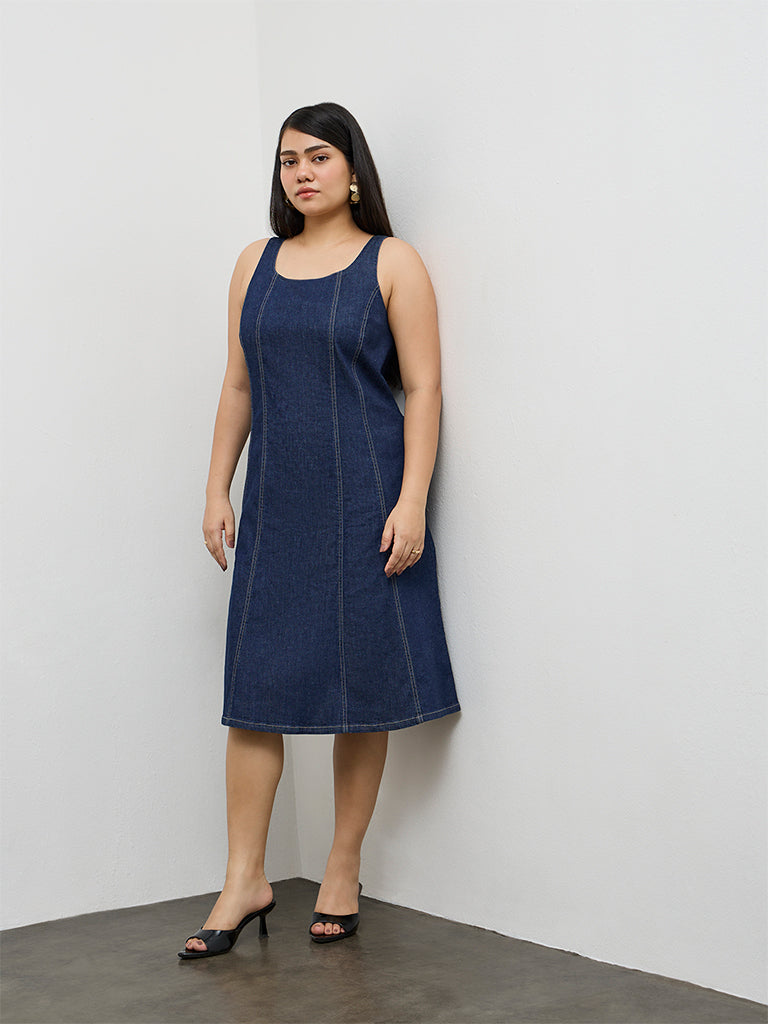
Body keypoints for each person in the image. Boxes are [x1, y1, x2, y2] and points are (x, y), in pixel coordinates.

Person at [179, 102, 460, 959]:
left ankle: (342, 869)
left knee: (357, 686)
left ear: (354, 171)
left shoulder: (393, 262)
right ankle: (245, 880)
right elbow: (238, 385)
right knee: (255, 692)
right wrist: (217, 487)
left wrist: (411, 500)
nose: (301, 173)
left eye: (318, 157)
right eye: (287, 161)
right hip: (277, 500)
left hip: (367, 497)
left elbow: (424, 389)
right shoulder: (254, 264)